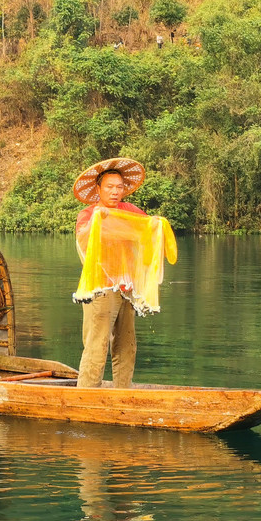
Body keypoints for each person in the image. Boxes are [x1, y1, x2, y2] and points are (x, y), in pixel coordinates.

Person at [72, 158, 148, 390]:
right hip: (100, 287)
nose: (115, 192)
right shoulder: (88, 214)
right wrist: (103, 221)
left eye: (119, 187)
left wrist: (157, 225)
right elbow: (86, 239)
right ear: (98, 189)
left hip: (127, 287)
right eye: (109, 187)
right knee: (97, 344)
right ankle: (86, 395)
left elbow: (148, 231)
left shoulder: (131, 211)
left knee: (127, 345)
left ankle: (122, 393)